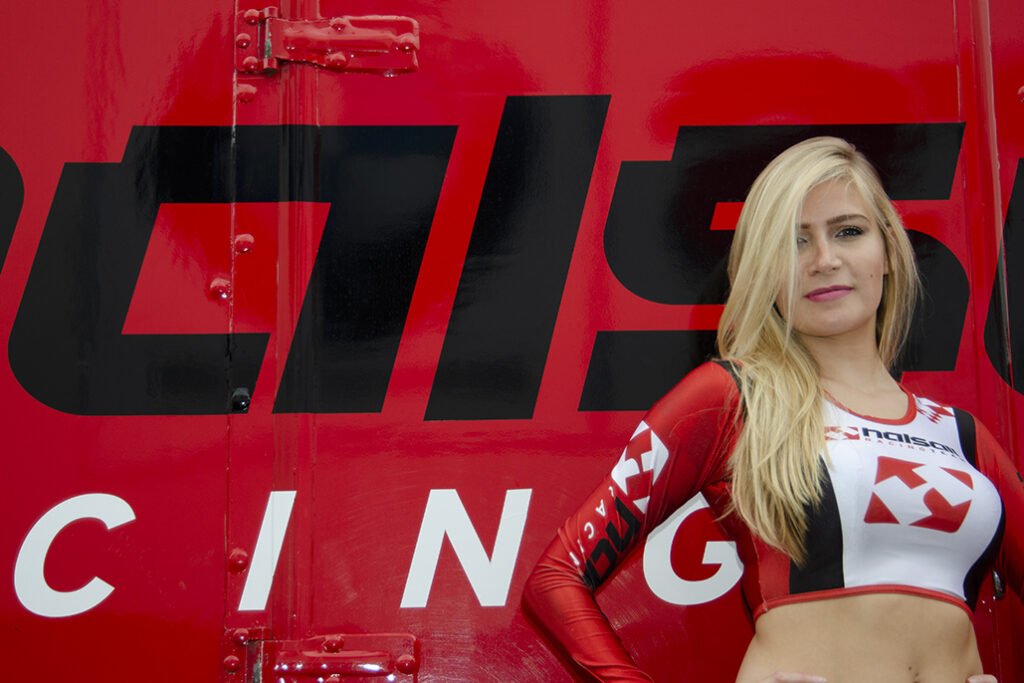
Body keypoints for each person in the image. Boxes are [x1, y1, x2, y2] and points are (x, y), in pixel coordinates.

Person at [522, 137, 1023, 682]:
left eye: (848, 232)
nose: (825, 260)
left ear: (888, 252)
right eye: (795, 242)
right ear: (765, 268)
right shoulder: (731, 399)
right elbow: (557, 576)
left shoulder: (962, 438)